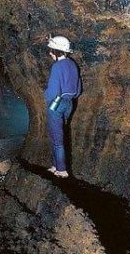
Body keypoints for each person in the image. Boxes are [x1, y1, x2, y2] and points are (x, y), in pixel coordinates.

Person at [43, 35, 82, 178]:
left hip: (56, 103)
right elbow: (78, 90)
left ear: (56, 51)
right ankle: (55, 165)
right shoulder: (73, 64)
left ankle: (61, 170)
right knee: (58, 134)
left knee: (57, 138)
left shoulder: (57, 67)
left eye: (51, 50)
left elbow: (53, 91)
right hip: (69, 103)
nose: (50, 53)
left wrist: (45, 95)